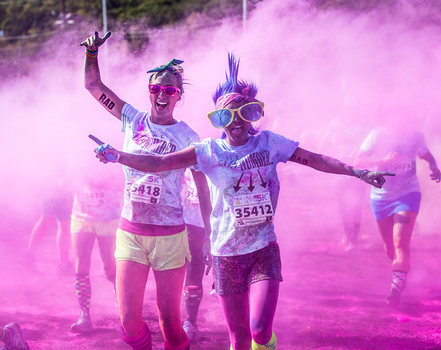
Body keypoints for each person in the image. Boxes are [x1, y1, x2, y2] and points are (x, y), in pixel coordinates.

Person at [93, 53, 393, 350]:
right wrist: (118, 156)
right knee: (238, 340)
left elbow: (316, 160)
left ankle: (265, 343)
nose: (235, 122)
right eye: (225, 115)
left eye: (243, 113)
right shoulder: (208, 150)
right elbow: (158, 163)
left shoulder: (270, 143)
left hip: (262, 248)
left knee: (260, 332)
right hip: (227, 254)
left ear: (253, 114)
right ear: (218, 119)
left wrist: (359, 172)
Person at [81, 31, 211, 350]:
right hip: (131, 232)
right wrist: (92, 54)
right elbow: (94, 87)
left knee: (169, 321)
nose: (162, 94)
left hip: (169, 236)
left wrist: (208, 233)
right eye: (156, 88)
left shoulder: (189, 137)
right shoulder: (132, 119)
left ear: (178, 95)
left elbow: (203, 189)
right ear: (149, 92)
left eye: (169, 89)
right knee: (127, 321)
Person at [355, 125, 441, 307]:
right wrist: (382, 160)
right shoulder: (377, 134)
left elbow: (427, 155)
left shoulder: (416, 135)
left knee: (401, 242)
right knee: (390, 249)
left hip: (408, 194)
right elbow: (358, 161)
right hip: (381, 197)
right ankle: (402, 271)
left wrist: (434, 167)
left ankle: (395, 290)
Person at [69, 167, 122, 334]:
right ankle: (84, 316)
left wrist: (102, 181)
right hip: (81, 217)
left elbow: (123, 180)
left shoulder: (110, 147)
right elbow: (64, 180)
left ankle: (123, 309)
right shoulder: (76, 153)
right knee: (81, 264)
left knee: (110, 267)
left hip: (108, 217)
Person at [21, 181, 74, 275]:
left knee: (44, 220)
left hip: (46, 188)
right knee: (64, 226)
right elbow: (64, 182)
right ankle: (64, 264)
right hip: (60, 192)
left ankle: (28, 257)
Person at [180, 169, 207, 342]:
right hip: (177, 223)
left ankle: (191, 321)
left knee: (194, 273)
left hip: (203, 226)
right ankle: (173, 319)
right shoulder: (177, 159)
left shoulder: (216, 157)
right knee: (171, 273)